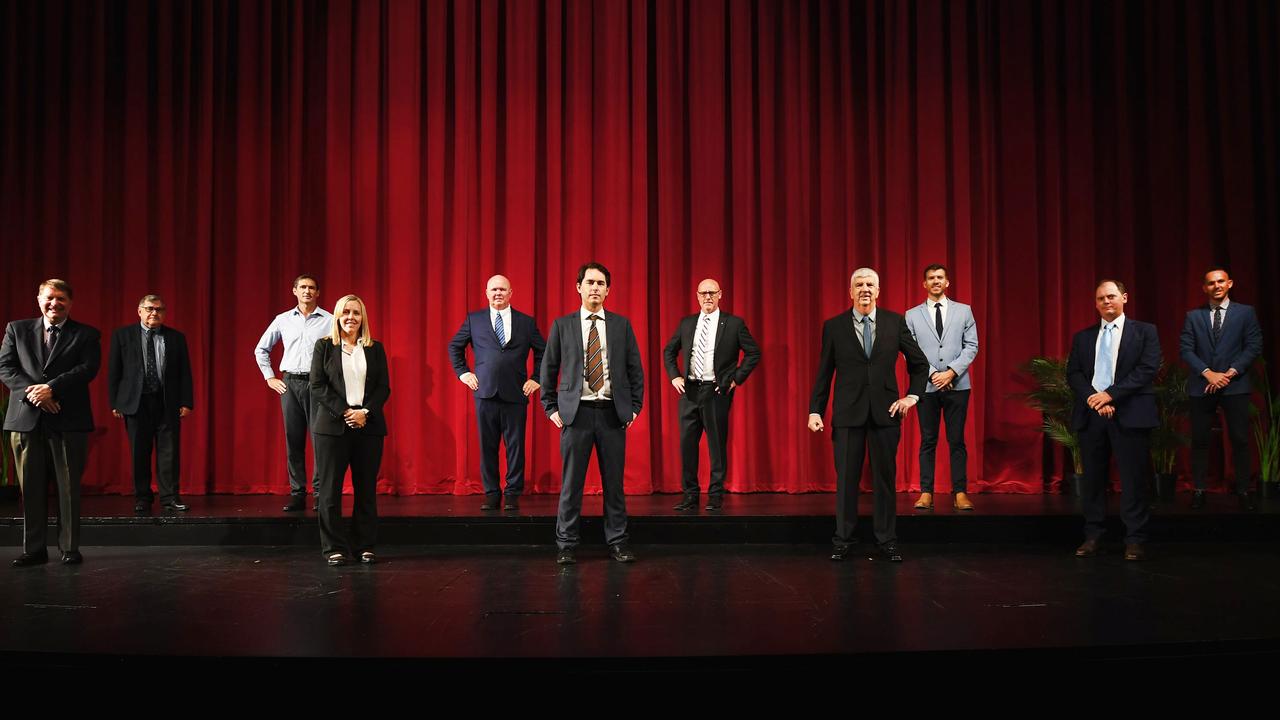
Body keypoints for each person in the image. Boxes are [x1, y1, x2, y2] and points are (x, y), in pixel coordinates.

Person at [808, 268, 929, 562]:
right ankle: (843, 540)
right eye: (859, 284)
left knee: (885, 480)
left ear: (878, 290)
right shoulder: (834, 326)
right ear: (850, 292)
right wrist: (815, 410)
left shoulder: (894, 322)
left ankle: (886, 540)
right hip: (848, 414)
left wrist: (911, 397)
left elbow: (920, 364)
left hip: (886, 414)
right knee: (847, 480)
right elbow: (824, 373)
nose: (864, 289)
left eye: (870, 284)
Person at [541, 262, 644, 565]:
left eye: (600, 283)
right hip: (577, 415)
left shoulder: (621, 325)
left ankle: (618, 542)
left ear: (608, 290)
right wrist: (550, 407)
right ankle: (566, 544)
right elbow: (548, 369)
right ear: (579, 287)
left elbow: (635, 369)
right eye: (590, 282)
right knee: (571, 484)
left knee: (614, 484)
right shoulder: (563, 325)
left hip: (612, 414)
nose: (595, 288)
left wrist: (634, 407)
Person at [1, 279, 101, 566]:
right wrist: (37, 395)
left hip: (68, 420)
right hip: (26, 420)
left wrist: (52, 388)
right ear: (38, 299)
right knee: (30, 488)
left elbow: (87, 369)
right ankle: (34, 550)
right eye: (49, 298)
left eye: (61, 299)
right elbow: (6, 368)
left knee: (68, 488)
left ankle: (69, 548)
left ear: (70, 303)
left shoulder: (87, 334)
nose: (54, 303)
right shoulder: (16, 329)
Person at [1067, 280, 1160, 561]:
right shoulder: (1083, 337)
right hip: (1092, 415)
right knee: (1093, 481)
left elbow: (1147, 370)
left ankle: (1134, 539)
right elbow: (1074, 374)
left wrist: (1110, 396)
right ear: (1095, 303)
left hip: (1130, 414)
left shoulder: (1145, 332)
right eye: (1100, 298)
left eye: (1111, 296)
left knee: (1133, 480)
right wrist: (1095, 399)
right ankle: (1094, 535)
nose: (1106, 302)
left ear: (1124, 298)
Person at [448, 274, 546, 512]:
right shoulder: (475, 319)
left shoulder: (526, 322)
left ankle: (512, 493)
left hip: (516, 393)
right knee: (488, 446)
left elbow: (545, 352)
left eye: (502, 289)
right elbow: (455, 346)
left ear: (511, 293)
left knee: (515, 447)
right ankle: (491, 493)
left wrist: (536, 379)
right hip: (485, 393)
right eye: (494, 289)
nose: (498, 293)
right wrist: (464, 373)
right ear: (486, 293)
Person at [661, 278, 760, 511]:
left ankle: (715, 495)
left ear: (720, 295)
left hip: (716, 391)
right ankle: (690, 495)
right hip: (689, 392)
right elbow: (669, 350)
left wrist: (735, 378)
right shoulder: (687, 324)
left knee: (716, 446)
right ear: (697, 296)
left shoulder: (734, 324)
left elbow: (753, 352)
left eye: (712, 293)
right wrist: (675, 375)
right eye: (703, 293)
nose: (707, 297)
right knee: (687, 446)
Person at [309, 295, 391, 566]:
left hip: (368, 426)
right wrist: (346, 412)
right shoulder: (324, 347)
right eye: (345, 312)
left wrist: (364, 412)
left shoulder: (375, 348)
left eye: (356, 312)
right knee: (330, 491)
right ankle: (334, 548)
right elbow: (318, 386)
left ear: (362, 317)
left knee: (366, 490)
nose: (351, 317)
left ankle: (364, 546)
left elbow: (383, 388)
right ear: (337, 316)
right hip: (332, 427)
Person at [1179, 267, 1263, 511]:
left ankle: (1244, 490)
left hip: (1234, 385)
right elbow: (1186, 349)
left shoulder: (1246, 313)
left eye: (1221, 281)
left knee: (1239, 439)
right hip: (1202, 386)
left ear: (1229, 284)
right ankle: (1199, 490)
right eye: (1211, 283)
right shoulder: (1193, 316)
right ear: (1204, 287)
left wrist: (1231, 372)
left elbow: (1254, 345)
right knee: (1200, 440)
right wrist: (1208, 374)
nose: (1216, 285)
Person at [108, 294, 194, 514]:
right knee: (139, 452)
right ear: (139, 311)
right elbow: (114, 371)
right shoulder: (122, 335)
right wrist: (115, 402)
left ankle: (170, 498)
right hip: (136, 403)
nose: (154, 313)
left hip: (167, 402)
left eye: (159, 309)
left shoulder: (176, 338)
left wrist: (186, 401)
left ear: (164, 313)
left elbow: (185, 372)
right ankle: (143, 498)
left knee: (169, 452)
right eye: (149, 308)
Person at [903, 264, 979, 512]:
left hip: (958, 385)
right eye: (931, 278)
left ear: (947, 282)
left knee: (957, 440)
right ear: (924, 284)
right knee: (928, 440)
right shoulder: (911, 315)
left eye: (940, 277)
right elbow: (910, 351)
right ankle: (926, 493)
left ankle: (960, 492)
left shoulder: (964, 311)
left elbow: (972, 346)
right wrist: (935, 373)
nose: (935, 281)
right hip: (926, 386)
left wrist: (951, 372)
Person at [254, 274, 333, 512]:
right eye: (303, 287)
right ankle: (298, 493)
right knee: (294, 440)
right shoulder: (283, 320)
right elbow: (261, 349)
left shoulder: (330, 320)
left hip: (318, 385)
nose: (307, 291)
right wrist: (270, 377)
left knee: (320, 440)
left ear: (318, 293)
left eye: (311, 288)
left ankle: (320, 493)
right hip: (290, 384)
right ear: (294, 291)